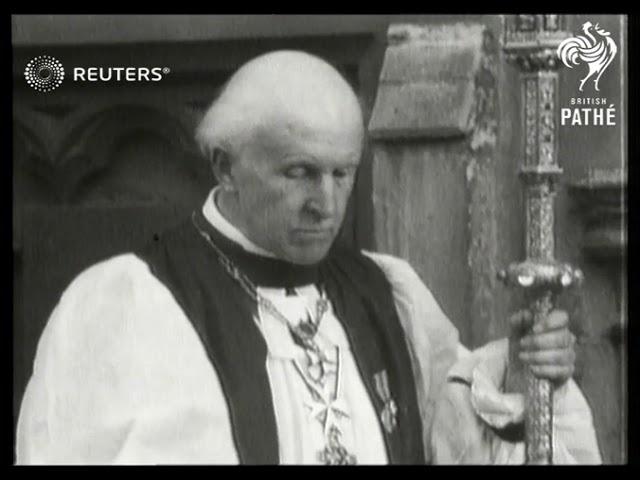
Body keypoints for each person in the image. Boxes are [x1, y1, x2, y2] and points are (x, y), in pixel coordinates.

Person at [16, 50, 601, 465]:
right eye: (299, 173)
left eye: (342, 174)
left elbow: (454, 442)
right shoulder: (127, 305)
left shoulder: (386, 294)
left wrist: (526, 375)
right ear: (225, 166)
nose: (325, 203)